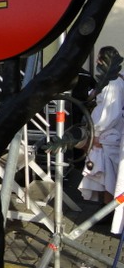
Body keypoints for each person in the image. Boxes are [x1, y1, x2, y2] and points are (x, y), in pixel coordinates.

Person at [78, 46, 124, 235]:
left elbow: (110, 113)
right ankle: (106, 209)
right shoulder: (115, 80)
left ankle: (108, 211)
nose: (97, 62)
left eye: (99, 59)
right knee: (106, 173)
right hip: (109, 133)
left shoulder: (112, 84)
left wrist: (97, 133)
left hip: (107, 135)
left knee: (107, 174)